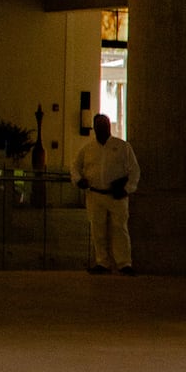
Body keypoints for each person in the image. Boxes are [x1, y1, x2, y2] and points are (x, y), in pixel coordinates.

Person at [73, 113, 142, 275]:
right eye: (99, 126)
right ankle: (102, 262)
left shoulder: (122, 147)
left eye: (104, 125)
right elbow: (75, 167)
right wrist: (78, 180)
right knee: (98, 229)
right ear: (94, 128)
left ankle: (124, 263)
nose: (102, 128)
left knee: (120, 229)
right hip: (95, 194)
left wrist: (127, 189)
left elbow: (134, 170)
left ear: (109, 126)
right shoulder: (88, 149)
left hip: (117, 195)